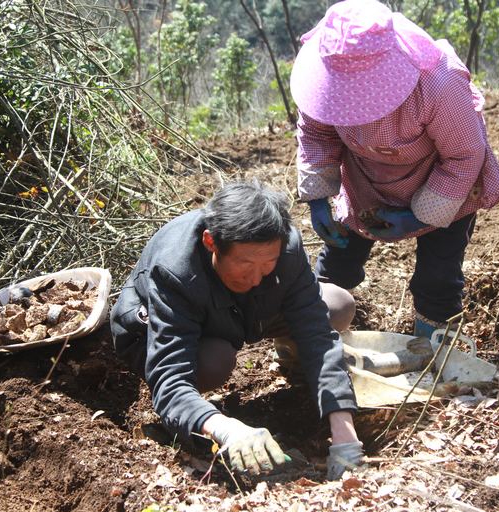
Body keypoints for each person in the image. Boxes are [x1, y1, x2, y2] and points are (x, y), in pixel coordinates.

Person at [110, 181, 363, 479]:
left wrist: (344, 429)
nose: (256, 277)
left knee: (337, 304)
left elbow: (317, 333)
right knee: (213, 362)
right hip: (160, 332)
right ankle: (190, 418)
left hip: (244, 314)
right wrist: (225, 428)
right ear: (210, 243)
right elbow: (171, 380)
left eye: (268, 263)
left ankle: (297, 367)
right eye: (244, 263)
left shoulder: (284, 246)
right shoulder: (175, 270)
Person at [290, 0, 499, 339]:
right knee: (337, 263)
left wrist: (423, 216)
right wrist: (318, 199)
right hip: (365, 182)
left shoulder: (438, 83)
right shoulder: (326, 82)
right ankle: (308, 339)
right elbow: (317, 132)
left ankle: (433, 355)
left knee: (437, 277)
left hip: (444, 183)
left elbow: (464, 157)